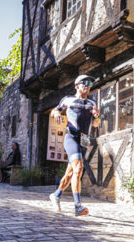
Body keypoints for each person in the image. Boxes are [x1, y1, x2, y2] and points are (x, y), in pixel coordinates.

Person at [49, 75, 100, 216]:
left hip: (84, 140)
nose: (87, 85)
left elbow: (95, 124)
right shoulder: (68, 100)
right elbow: (55, 110)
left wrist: (97, 117)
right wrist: (56, 114)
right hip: (71, 137)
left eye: (89, 83)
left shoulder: (92, 103)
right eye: (84, 83)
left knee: (71, 173)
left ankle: (56, 194)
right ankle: (78, 206)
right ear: (77, 85)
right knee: (79, 168)